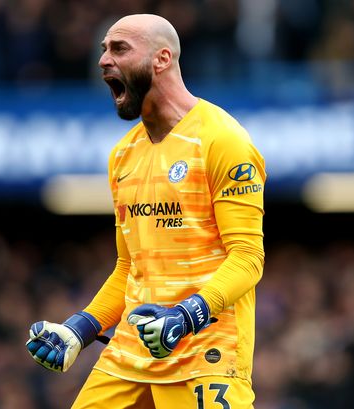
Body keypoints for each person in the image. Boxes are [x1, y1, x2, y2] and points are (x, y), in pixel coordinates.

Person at [26, 13, 265, 409]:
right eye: (103, 49)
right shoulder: (123, 155)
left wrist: (186, 316)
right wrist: (80, 329)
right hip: (131, 354)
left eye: (119, 48)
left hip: (204, 354)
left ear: (162, 59)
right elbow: (129, 268)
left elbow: (247, 258)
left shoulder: (223, 140)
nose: (103, 59)